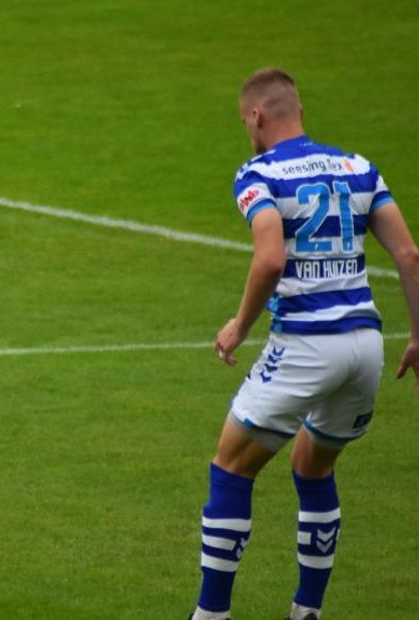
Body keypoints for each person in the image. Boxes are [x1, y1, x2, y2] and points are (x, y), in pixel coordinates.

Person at [188, 68, 419, 620]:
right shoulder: (358, 167)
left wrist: (239, 327)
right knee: (313, 468)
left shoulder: (258, 173)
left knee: (230, 467)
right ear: (300, 111)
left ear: (257, 117)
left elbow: (270, 257)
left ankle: (210, 615)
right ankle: (307, 610)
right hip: (366, 345)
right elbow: (410, 256)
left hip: (306, 343)